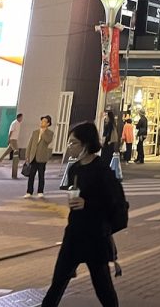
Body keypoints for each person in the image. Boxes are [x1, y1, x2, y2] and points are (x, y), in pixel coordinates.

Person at [40, 121, 123, 307]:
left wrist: (88, 203)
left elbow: (114, 203)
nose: (69, 147)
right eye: (69, 143)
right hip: (74, 234)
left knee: (103, 286)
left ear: (85, 144)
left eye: (73, 143)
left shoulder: (102, 170)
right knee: (58, 282)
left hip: (95, 236)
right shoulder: (75, 169)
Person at [24, 115, 54, 198]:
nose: (42, 122)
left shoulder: (50, 133)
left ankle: (40, 191)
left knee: (41, 175)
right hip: (33, 156)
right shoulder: (35, 132)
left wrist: (43, 132)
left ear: (48, 123)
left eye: (44, 121)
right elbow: (30, 144)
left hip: (42, 158)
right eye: (42, 121)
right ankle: (29, 192)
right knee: (31, 175)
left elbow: (48, 141)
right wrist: (27, 155)